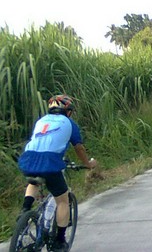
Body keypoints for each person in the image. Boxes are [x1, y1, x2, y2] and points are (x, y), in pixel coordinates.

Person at [17, 94, 97, 252]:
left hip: (28, 158)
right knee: (62, 201)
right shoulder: (69, 123)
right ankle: (59, 241)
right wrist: (87, 164)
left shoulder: (41, 121)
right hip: (50, 161)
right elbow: (79, 148)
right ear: (68, 111)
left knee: (33, 181)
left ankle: (24, 210)